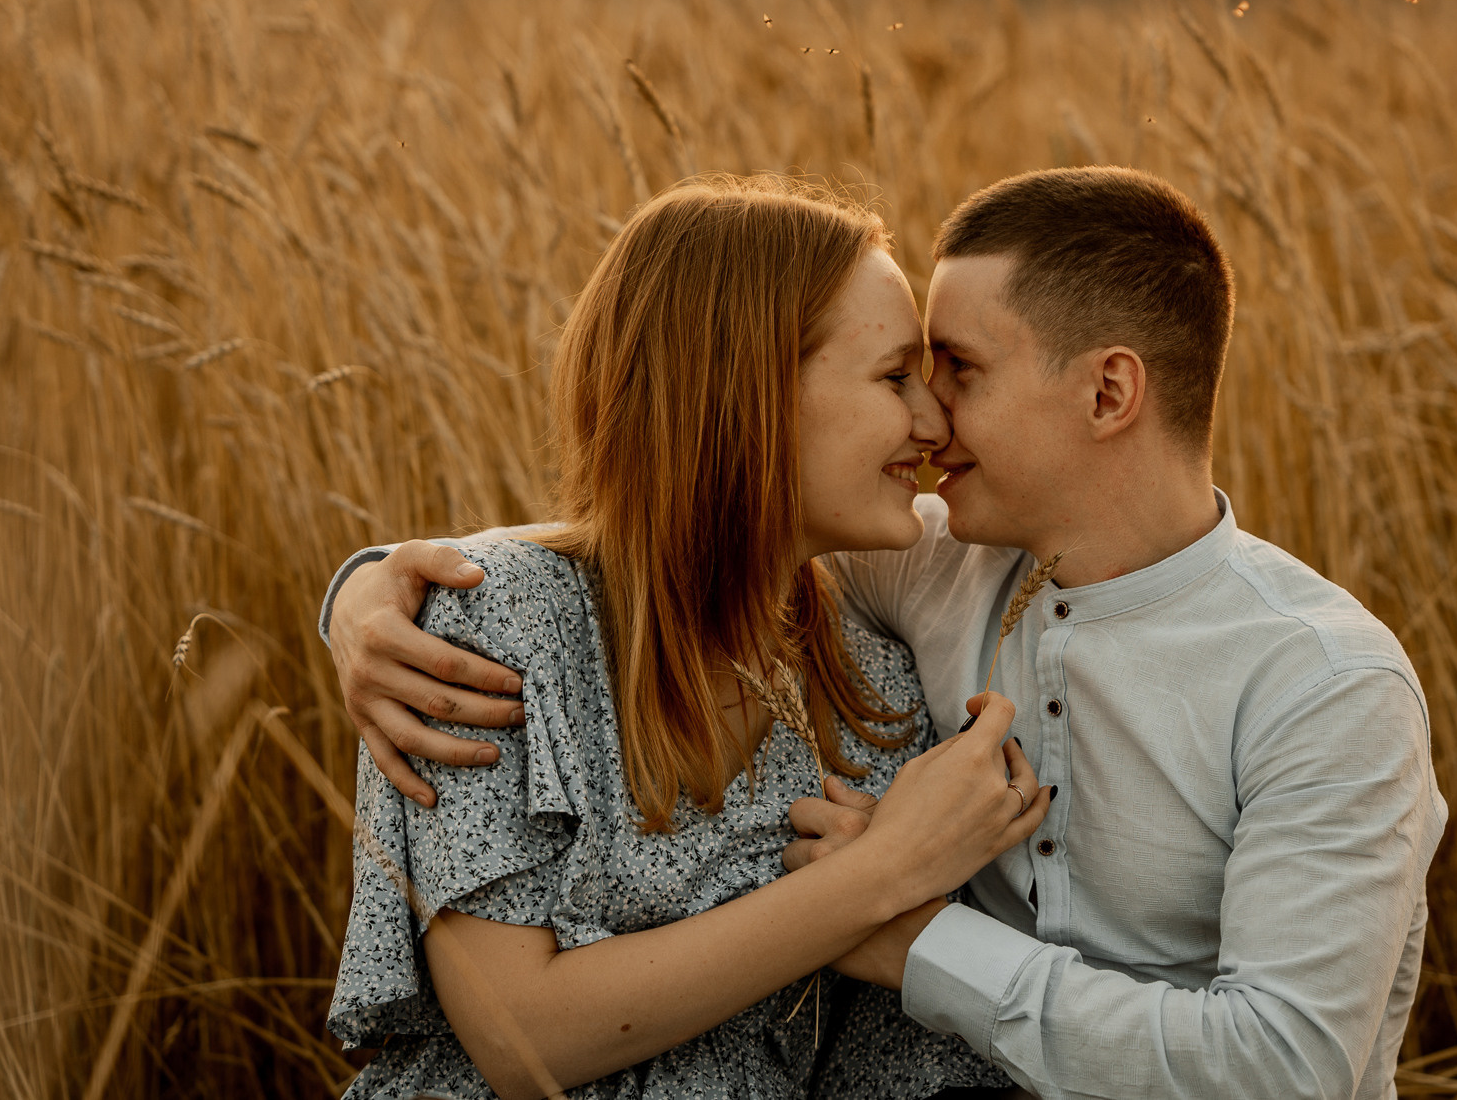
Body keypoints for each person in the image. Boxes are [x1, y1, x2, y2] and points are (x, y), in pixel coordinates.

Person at [328, 166, 1448, 1100]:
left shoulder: (1320, 681)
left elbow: (1291, 1068)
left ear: (1109, 392)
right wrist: (377, 590)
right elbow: (664, 532)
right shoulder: (912, 571)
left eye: (954, 370)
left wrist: (916, 939)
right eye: (903, 372)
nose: (929, 419)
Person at [326, 176, 1055, 1100]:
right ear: (743, 393)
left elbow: (873, 1051)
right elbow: (523, 1039)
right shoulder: (498, 627)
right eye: (894, 376)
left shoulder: (875, 678)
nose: (932, 421)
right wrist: (882, 872)